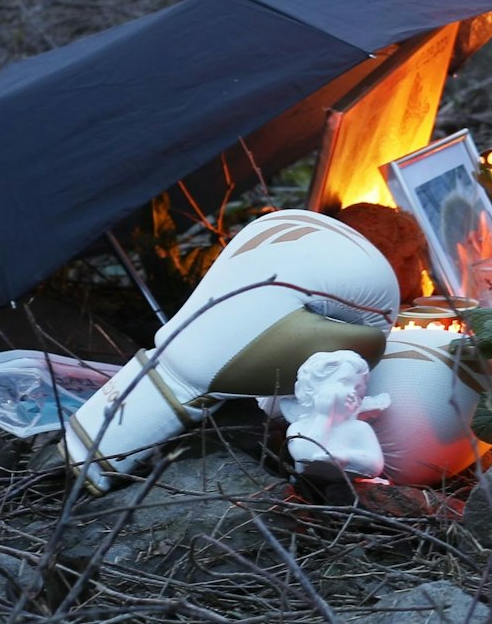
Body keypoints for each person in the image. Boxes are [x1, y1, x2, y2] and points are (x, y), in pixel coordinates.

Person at [64, 204, 428, 492]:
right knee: (191, 367)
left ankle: (81, 454)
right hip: (189, 384)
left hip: (183, 353)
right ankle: (89, 460)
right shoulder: (362, 313)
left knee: (188, 363)